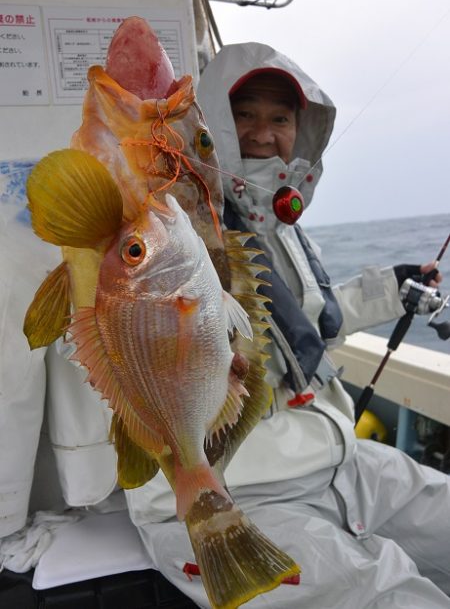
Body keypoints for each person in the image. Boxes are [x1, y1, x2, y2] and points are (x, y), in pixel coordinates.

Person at [132, 42, 450, 608]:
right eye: (243, 114)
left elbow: (308, 323)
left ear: (302, 130)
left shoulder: (279, 226)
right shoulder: (175, 222)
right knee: (396, 598)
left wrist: (391, 287)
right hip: (243, 491)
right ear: (208, 125)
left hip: (341, 462)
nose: (261, 132)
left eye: (280, 118)